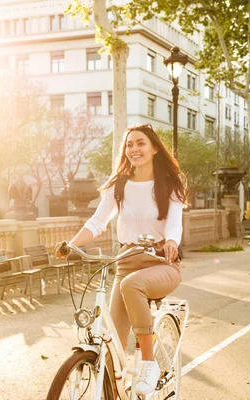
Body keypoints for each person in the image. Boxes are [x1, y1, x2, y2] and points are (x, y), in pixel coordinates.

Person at [54, 124, 187, 395]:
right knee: (110, 340)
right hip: (126, 262)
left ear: (154, 149)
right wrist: (71, 245)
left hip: (161, 263)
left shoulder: (170, 184)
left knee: (131, 285)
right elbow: (97, 222)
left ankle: (149, 363)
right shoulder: (119, 185)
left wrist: (172, 242)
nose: (134, 149)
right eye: (129, 145)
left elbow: (175, 224)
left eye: (140, 143)